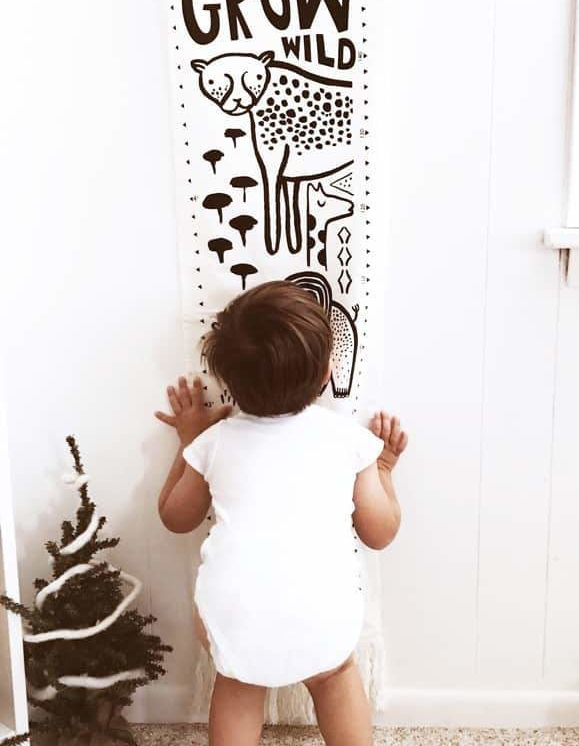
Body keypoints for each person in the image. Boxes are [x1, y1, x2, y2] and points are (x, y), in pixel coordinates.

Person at [154, 280, 407, 746]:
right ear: (327, 372)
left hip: (235, 612)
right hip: (323, 612)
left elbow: (175, 517)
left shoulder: (215, 441)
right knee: (335, 677)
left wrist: (189, 442)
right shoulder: (349, 440)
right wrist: (384, 468)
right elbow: (380, 532)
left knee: (239, 680)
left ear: (227, 381)